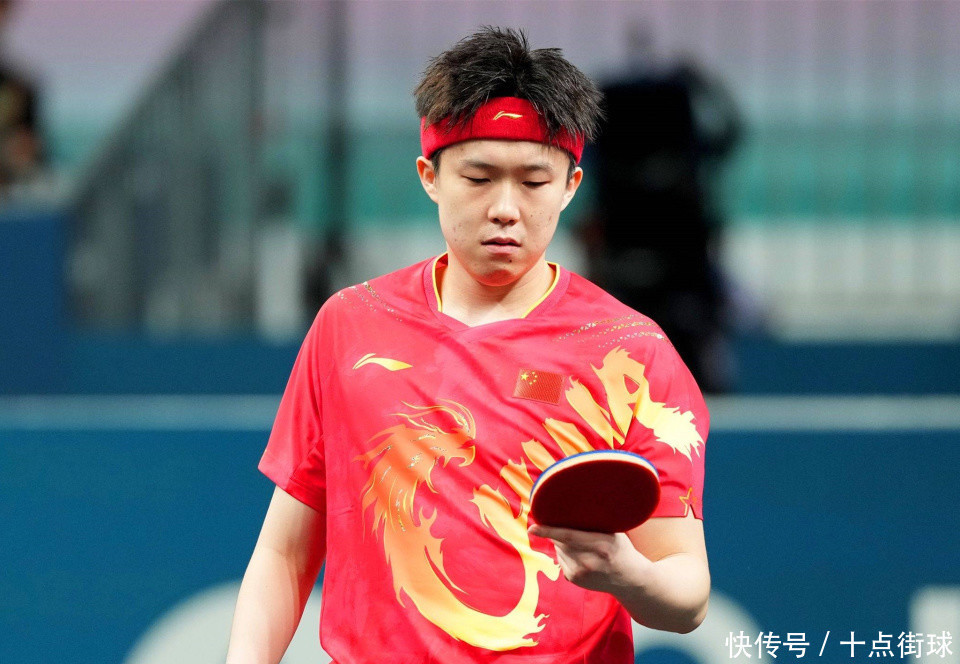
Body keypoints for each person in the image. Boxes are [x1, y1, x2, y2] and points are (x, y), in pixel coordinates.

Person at [226, 27, 709, 664]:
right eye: (478, 177)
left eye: (533, 182)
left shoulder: (631, 353)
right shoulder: (350, 325)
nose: (505, 208)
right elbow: (284, 554)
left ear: (570, 186)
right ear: (430, 176)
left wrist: (630, 575)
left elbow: (688, 594)